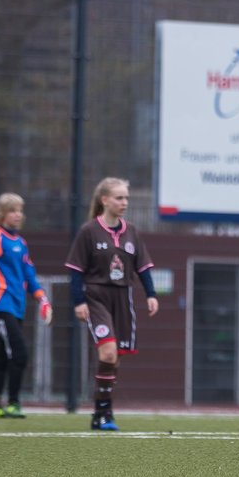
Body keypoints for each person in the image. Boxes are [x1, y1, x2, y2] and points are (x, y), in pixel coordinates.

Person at [65, 178, 158, 431]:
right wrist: (79, 301)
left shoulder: (132, 231)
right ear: (104, 200)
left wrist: (151, 294)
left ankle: (100, 414)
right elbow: (75, 270)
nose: (124, 202)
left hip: (123, 298)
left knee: (115, 360)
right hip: (96, 297)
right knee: (107, 352)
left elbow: (143, 267)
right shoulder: (88, 231)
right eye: (119, 198)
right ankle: (104, 412)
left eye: (126, 198)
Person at [0, 193, 53, 418]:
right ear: (2, 214)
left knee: (4, 354)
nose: (18, 214)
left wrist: (42, 299)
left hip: (16, 305)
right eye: (13, 210)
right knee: (19, 352)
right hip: (0, 305)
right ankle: (13, 402)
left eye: (20, 210)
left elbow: (29, 274)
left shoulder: (20, 243)